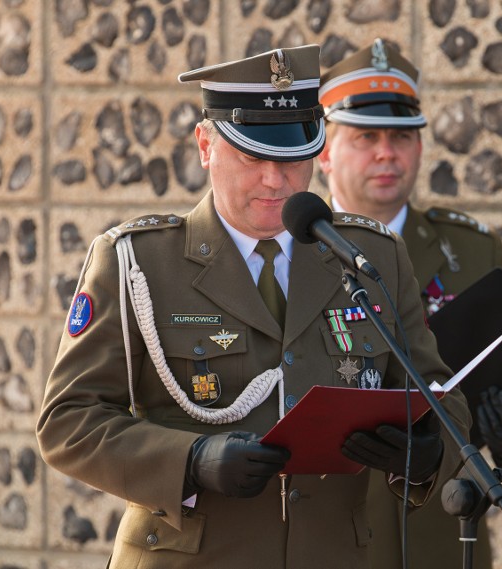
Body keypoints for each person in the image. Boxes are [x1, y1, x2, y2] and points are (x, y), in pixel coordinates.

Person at [36, 44, 471, 569]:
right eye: (252, 156)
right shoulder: (137, 262)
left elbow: (438, 395)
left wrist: (428, 454)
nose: (276, 180)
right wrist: (190, 460)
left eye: (293, 158)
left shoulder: (369, 256)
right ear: (205, 144)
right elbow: (67, 421)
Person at [318, 39, 502, 569]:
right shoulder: (287, 251)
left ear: (421, 148)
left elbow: (501, 398)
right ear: (324, 152)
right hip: (320, 535)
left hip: (438, 537)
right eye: (365, 137)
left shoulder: (471, 251)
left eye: (402, 136)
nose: (387, 152)